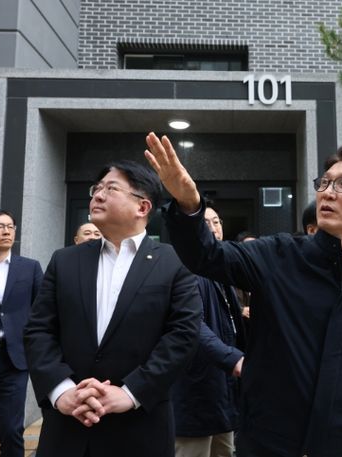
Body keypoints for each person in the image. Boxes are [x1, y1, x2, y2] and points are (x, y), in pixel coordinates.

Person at [145, 132, 342, 457]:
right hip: (270, 441)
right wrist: (189, 205)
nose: (328, 192)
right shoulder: (278, 255)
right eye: (324, 183)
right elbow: (207, 256)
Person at [23, 160, 202, 457]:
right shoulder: (65, 260)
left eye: (111, 188)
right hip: (69, 425)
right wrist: (61, 391)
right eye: (97, 188)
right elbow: (39, 330)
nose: (98, 195)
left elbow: (183, 335)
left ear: (142, 207)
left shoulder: (174, 262)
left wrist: (131, 393)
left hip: (139, 426)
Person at [172, 205, 246, 457]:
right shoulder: (185, 267)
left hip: (223, 393)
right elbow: (191, 324)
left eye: (217, 222)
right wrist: (233, 359)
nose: (214, 228)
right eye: (206, 223)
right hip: (195, 392)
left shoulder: (221, 269)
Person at [0, 209, 43, 457]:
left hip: (14, 360)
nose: (7, 231)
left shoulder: (29, 268)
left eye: (10, 227)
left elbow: (41, 311)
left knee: (11, 430)